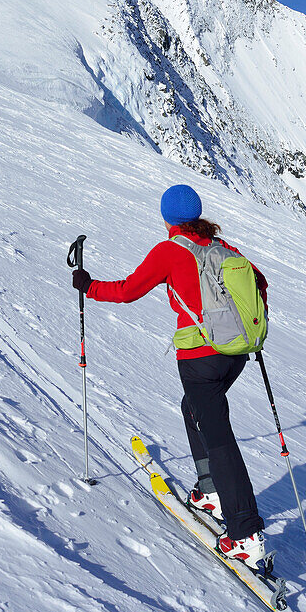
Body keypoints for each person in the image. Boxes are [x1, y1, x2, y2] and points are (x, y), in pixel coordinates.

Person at [71, 183, 267, 567]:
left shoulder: (169, 251)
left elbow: (128, 291)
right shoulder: (226, 249)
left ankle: (245, 533)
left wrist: (89, 286)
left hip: (199, 357)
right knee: (193, 409)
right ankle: (210, 491)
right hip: (236, 354)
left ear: (167, 219)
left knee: (219, 436)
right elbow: (259, 284)